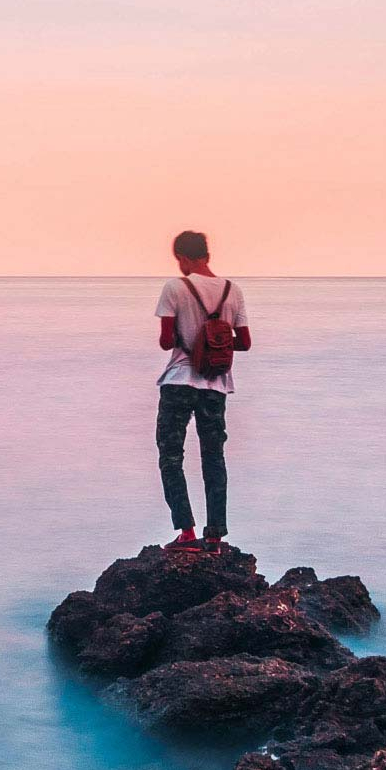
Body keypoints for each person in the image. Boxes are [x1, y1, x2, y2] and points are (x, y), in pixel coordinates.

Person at [154, 230, 252, 554]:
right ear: (207, 255)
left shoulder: (176, 288)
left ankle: (186, 533)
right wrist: (216, 343)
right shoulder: (232, 290)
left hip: (180, 380)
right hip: (216, 385)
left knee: (171, 456)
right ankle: (215, 536)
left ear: (183, 257)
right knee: (214, 457)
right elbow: (246, 343)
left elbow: (167, 341)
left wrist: (194, 341)